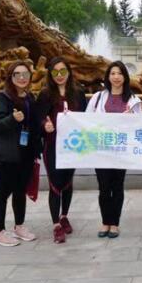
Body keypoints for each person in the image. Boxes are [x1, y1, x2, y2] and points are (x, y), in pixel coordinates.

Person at [86, 61, 142, 239]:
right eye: (113, 73)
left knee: (117, 187)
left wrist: (131, 118)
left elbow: (140, 125)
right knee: (103, 188)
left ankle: (115, 224)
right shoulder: (97, 97)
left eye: (120, 73)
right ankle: (105, 222)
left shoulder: (133, 100)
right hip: (101, 150)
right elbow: (86, 120)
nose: (116, 77)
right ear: (108, 77)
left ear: (125, 77)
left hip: (120, 150)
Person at [36, 57, 87, 244]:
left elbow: (85, 117)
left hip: (72, 145)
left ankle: (64, 215)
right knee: (55, 183)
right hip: (52, 145)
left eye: (63, 71)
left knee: (67, 181)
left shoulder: (78, 93)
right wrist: (45, 125)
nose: (59, 75)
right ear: (50, 74)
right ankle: (56, 224)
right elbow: (38, 118)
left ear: (69, 72)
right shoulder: (45, 94)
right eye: (55, 72)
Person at [0, 60, 41, 247]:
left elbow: (34, 123)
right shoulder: (1, 98)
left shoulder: (29, 97)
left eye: (25, 74)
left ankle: (19, 226)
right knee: (2, 192)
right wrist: (12, 118)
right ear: (10, 77)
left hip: (26, 153)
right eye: (17, 74)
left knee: (20, 191)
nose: (21, 78)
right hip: (8, 154)